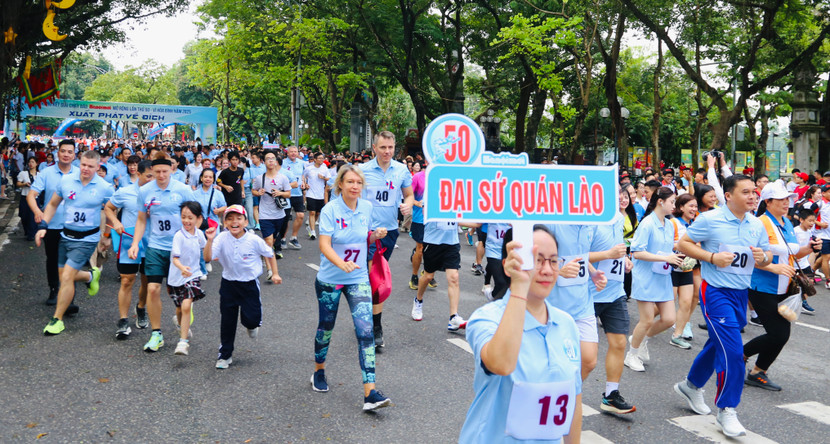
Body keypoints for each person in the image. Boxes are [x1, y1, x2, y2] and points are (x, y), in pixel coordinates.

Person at [459, 226, 583, 443]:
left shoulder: (567, 324)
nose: (547, 270)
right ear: (509, 265)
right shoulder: (487, 318)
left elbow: (574, 398)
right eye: (537, 260)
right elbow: (501, 364)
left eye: (554, 261)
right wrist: (519, 288)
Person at [673, 174, 771, 438]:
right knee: (734, 351)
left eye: (754, 191)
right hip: (715, 291)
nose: (752, 196)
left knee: (719, 343)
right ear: (728, 196)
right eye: (745, 192)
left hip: (741, 294)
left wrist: (763, 257)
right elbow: (683, 243)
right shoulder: (710, 219)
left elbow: (766, 256)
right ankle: (727, 408)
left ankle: (691, 385)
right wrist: (712, 257)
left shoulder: (756, 223)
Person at [310, 165, 391, 411]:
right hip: (331, 279)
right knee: (326, 327)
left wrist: (374, 236)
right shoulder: (330, 210)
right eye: (350, 182)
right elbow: (324, 245)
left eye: (358, 182)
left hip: (358, 278)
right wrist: (341, 263)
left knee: (366, 332)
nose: (355, 186)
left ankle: (370, 393)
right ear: (340, 185)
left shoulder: (366, 207)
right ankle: (319, 371)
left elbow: (363, 236)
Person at [743, 182, 818, 391]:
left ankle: (757, 371)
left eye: (788, 199)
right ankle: (741, 356)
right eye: (781, 199)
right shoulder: (759, 223)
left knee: (780, 334)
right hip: (761, 286)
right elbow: (749, 257)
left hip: (785, 288)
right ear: (768, 202)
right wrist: (773, 268)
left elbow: (792, 253)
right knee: (779, 334)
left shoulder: (786, 223)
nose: (787, 203)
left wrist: (809, 248)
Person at [36, 150, 112, 335]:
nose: (85, 169)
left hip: (87, 239)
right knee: (64, 276)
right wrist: (43, 225)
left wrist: (107, 235)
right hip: (66, 236)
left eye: (90, 166)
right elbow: (52, 204)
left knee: (67, 277)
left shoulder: (105, 187)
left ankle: (57, 319)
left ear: (97, 167)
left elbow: (112, 210)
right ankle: (89, 276)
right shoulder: (66, 181)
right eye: (83, 165)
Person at [128, 151, 197, 352]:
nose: (161, 175)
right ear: (152, 170)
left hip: (179, 249)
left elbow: (195, 216)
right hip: (155, 246)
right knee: (152, 288)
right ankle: (156, 334)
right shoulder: (145, 191)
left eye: (165, 171)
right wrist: (135, 243)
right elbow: (141, 219)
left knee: (178, 295)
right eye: (157, 171)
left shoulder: (183, 190)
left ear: (172, 170)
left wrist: (195, 241)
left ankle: (181, 316)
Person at [204, 205, 281, 369]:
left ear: (246, 222)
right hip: (229, 284)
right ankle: (225, 355)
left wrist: (275, 273)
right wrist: (209, 240)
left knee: (252, 320)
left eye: (239, 218)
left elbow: (270, 254)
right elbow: (208, 258)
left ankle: (251, 325)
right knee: (227, 321)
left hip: (249, 285)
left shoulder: (253, 240)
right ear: (225, 223)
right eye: (230, 219)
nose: (234, 222)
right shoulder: (221, 238)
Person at [360, 131, 414, 348]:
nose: (387, 151)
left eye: (390, 147)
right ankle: (376, 327)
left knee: (376, 277)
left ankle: (367, 317)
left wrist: (408, 205)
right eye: (383, 147)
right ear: (374, 148)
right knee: (375, 277)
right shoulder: (362, 170)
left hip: (390, 231)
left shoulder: (401, 170)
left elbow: (409, 194)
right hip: (367, 231)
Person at [625, 187, 683, 372]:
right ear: (660, 201)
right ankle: (631, 354)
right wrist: (666, 258)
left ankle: (641, 339)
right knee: (647, 319)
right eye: (672, 202)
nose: (674, 206)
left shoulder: (669, 224)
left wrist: (677, 255)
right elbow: (637, 252)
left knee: (669, 319)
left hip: (663, 276)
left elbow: (667, 249)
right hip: (646, 277)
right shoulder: (647, 223)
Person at [590, 193, 636, 414]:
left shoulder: (619, 219)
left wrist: (623, 259)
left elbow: (616, 248)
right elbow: (576, 254)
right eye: (615, 193)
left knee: (619, 343)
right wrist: (608, 254)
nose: (620, 198)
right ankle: (565, 394)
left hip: (615, 292)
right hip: (589, 294)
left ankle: (611, 394)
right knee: (585, 355)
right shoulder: (590, 220)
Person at [104, 160, 154, 338]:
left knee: (148, 281)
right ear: (138, 174)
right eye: (149, 176)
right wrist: (116, 222)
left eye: (154, 176)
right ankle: (123, 320)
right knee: (126, 280)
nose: (152, 180)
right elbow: (108, 207)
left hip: (151, 243)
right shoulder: (125, 192)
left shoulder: (159, 194)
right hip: (128, 241)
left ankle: (141, 307)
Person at [27, 139, 78, 306]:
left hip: (74, 226)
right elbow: (31, 195)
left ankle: (70, 297)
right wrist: (38, 212)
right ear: (58, 153)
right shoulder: (46, 173)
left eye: (70, 152)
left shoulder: (80, 173)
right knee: (53, 259)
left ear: (74, 155)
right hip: (52, 225)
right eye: (63, 151)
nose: (66, 155)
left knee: (72, 260)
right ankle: (54, 289)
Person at [168, 201, 209, 356]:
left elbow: (206, 250)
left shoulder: (199, 234)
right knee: (180, 308)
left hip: (193, 275)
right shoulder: (179, 236)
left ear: (198, 219)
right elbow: (175, 258)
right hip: (176, 277)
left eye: (190, 218)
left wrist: (211, 240)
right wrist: (182, 268)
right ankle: (180, 325)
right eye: (183, 217)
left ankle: (183, 342)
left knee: (186, 306)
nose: (186, 221)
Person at [252, 150, 291, 270]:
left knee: (272, 240)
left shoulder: (283, 178)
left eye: (272, 158)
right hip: (264, 215)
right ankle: (270, 269)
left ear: (276, 161)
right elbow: (253, 191)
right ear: (264, 162)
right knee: (268, 241)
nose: (270, 161)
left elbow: (288, 194)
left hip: (279, 214)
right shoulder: (260, 178)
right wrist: (258, 192)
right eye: (268, 159)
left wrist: (280, 193)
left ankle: (265, 253)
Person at [670, 194, 699, 345]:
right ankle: (646, 325)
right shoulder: (673, 223)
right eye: (691, 206)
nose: (694, 209)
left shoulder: (695, 225)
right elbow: (666, 243)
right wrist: (684, 247)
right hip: (672, 269)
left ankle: (677, 335)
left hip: (687, 269)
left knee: (686, 303)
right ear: (681, 207)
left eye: (696, 206)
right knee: (665, 306)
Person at [281, 145, 308, 250]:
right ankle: (283, 238)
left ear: (298, 153)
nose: (293, 153)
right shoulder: (283, 163)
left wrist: (304, 183)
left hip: (298, 193)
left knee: (301, 215)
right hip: (286, 194)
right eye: (291, 151)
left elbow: (302, 175)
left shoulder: (301, 163)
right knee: (286, 218)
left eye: (295, 152)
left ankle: (293, 237)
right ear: (287, 153)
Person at [302, 152, 331, 239]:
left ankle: (311, 226)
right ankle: (313, 231)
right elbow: (303, 176)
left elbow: (329, 179)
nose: (322, 160)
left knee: (318, 213)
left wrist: (323, 178)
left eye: (322, 158)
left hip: (321, 194)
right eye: (320, 158)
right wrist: (305, 184)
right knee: (312, 212)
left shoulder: (325, 169)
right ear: (315, 159)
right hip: (310, 193)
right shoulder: (309, 168)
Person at [16, 156, 39, 241]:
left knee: (32, 217)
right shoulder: (23, 173)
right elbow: (18, 184)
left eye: (33, 162)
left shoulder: (40, 175)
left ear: (36, 163)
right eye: (29, 162)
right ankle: (27, 231)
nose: (30, 164)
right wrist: (24, 184)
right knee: (24, 216)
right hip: (25, 197)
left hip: (35, 198)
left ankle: (31, 234)